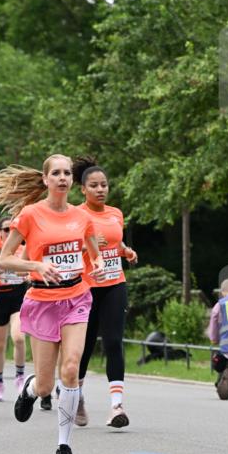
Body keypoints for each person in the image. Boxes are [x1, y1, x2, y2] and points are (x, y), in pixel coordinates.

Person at [0, 154, 105, 454]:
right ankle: (30, 388)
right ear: (45, 180)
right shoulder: (30, 215)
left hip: (76, 298)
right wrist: (36, 265)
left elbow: (95, 256)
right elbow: (4, 259)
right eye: (56, 173)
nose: (63, 178)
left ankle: (63, 447)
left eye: (67, 173)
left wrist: (95, 268)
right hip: (42, 302)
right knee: (45, 386)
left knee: (70, 369)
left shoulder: (83, 217)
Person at [73, 159, 138, 428]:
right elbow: (63, 249)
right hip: (86, 287)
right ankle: (75, 397)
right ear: (83, 190)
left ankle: (117, 406)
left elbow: (116, 240)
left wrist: (125, 251)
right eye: (94, 186)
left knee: (113, 342)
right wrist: (88, 247)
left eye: (104, 185)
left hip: (114, 283)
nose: (101, 189)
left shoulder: (115, 213)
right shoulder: (75, 215)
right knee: (84, 347)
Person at [0, 217, 28, 401]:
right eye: (6, 229)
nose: (9, 233)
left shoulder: (22, 250)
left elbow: (27, 269)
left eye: (13, 230)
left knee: (19, 338)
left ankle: (20, 377)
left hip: (18, 298)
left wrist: (28, 272)